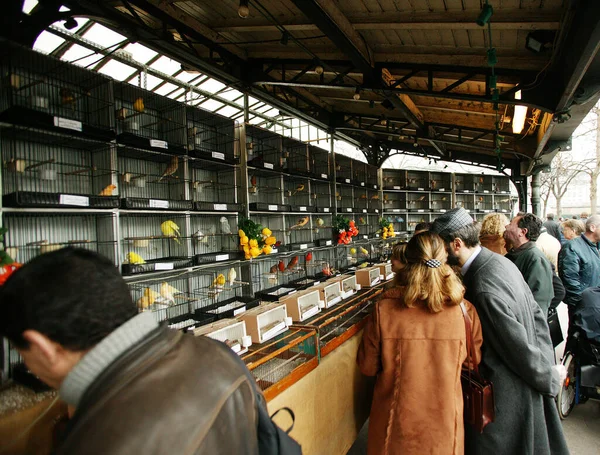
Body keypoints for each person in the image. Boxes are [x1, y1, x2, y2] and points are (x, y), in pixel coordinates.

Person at [0, 248, 268, 455]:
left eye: (22, 353)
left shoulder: (97, 442)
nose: (27, 365)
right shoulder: (219, 354)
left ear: (42, 348)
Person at [430, 208, 568, 455]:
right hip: (523, 386)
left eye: (440, 248)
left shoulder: (482, 285)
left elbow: (516, 346)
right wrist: (547, 363)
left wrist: (547, 378)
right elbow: (537, 317)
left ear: (457, 244)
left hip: (505, 401)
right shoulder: (500, 261)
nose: (438, 256)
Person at [357, 231, 482, 455]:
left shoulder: (384, 310)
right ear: (445, 261)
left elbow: (367, 366)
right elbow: (472, 363)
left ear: (408, 263)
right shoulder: (465, 311)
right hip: (445, 427)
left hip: (394, 427)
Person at [504, 213, 554, 315]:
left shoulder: (535, 258)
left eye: (510, 224)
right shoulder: (515, 254)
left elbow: (539, 301)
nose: (506, 226)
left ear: (522, 232)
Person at [559, 214, 600, 330]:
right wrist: (585, 303)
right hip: (583, 306)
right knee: (578, 339)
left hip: (593, 304)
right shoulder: (572, 247)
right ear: (593, 228)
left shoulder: (594, 246)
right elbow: (570, 280)